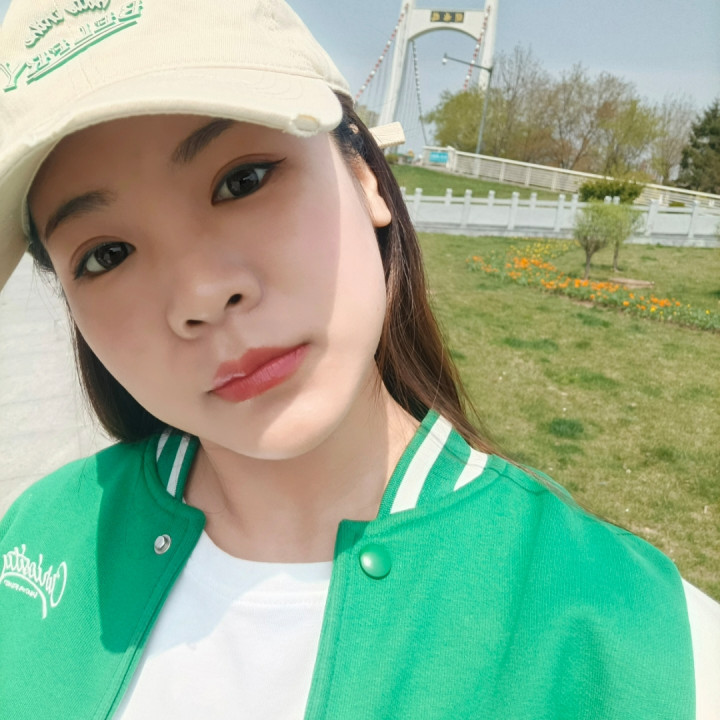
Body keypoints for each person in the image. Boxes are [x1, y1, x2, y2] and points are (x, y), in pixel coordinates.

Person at [0, 0, 718, 718]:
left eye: (243, 180)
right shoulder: (34, 544)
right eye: (107, 254)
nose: (201, 295)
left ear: (366, 175)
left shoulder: (642, 644)